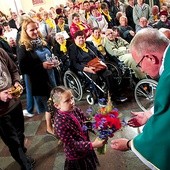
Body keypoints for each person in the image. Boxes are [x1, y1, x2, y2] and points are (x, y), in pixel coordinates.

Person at [110, 28, 170, 170]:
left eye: (139, 64)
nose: (141, 70)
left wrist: (130, 144)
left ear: (150, 58)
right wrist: (149, 113)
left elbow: (163, 129)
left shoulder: (168, 78)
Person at [17, 17, 57, 135]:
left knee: (53, 103)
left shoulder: (41, 41)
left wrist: (54, 61)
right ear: (25, 32)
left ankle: (54, 126)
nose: (35, 31)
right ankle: (51, 127)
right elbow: (23, 68)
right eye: (31, 30)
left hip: (50, 76)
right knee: (50, 105)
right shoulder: (23, 47)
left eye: (36, 28)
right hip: (39, 80)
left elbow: (48, 55)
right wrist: (41, 66)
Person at [50, 86, 106, 170]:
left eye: (72, 98)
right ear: (57, 105)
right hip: (76, 157)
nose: (72, 102)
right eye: (67, 101)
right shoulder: (59, 123)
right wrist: (92, 145)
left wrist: (99, 128)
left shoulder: (76, 110)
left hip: (86, 149)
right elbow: (72, 144)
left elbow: (86, 123)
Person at [0, 48, 35, 169]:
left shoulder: (0, 52)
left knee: (20, 133)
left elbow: (13, 69)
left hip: (14, 103)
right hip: (1, 113)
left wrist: (16, 82)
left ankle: (22, 156)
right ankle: (25, 165)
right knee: (12, 141)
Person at [69, 30, 127, 102]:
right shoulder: (72, 48)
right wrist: (86, 68)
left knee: (108, 74)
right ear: (75, 39)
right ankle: (100, 97)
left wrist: (102, 62)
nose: (81, 39)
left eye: (83, 38)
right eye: (79, 38)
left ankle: (115, 95)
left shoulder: (89, 44)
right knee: (94, 77)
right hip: (85, 68)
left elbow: (99, 54)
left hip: (97, 64)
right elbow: (74, 63)